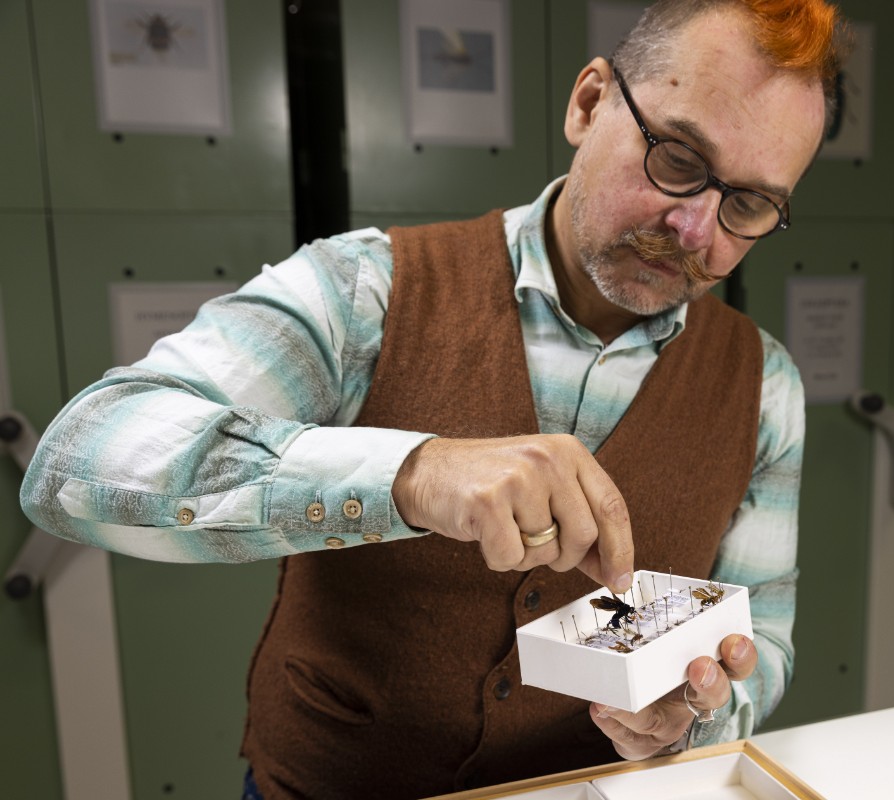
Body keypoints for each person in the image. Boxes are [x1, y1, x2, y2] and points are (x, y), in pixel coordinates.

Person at [21, 0, 839, 796]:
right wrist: (411, 473)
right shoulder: (365, 291)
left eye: (749, 204)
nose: (696, 231)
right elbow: (74, 464)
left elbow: (759, 634)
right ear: (589, 103)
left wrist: (695, 711)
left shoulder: (764, 387)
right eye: (680, 160)